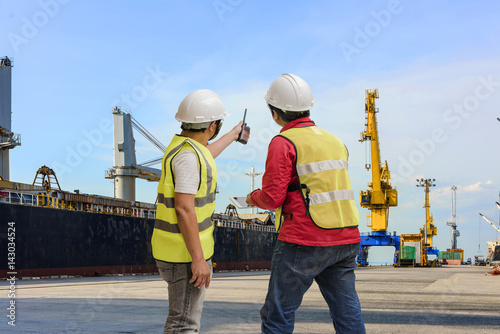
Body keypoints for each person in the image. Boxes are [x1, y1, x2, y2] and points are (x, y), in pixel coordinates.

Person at [246, 74, 365, 334]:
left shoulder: (283, 142)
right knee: (347, 314)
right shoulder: (335, 141)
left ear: (274, 113)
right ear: (308, 107)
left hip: (304, 240)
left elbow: (272, 198)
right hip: (346, 238)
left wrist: (250, 198)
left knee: (278, 314)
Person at [152, 89, 242, 333]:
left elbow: (206, 153)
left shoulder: (186, 148)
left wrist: (234, 135)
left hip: (178, 251)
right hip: (184, 255)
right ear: (213, 125)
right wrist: (199, 260)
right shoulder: (189, 157)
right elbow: (183, 209)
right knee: (184, 324)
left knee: (183, 320)